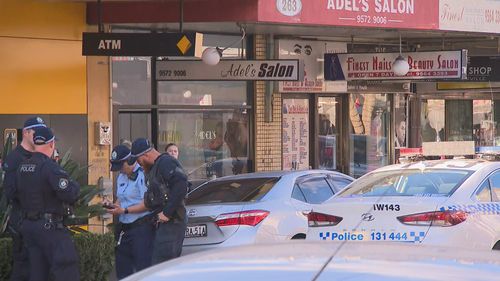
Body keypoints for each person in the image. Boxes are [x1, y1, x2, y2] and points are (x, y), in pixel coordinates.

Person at [15, 126, 80, 281]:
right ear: (51, 144)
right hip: (50, 228)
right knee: (66, 269)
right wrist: (74, 185)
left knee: (37, 273)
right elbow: (70, 193)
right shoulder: (50, 167)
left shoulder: (22, 167)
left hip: (28, 227)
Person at [129, 138, 188, 264]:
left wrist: (167, 213)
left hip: (173, 222)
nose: (139, 164)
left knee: (163, 266)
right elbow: (153, 199)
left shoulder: (166, 162)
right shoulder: (154, 168)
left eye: (139, 160)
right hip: (164, 223)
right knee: (158, 265)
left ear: (145, 154)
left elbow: (182, 184)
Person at [2, 116, 46, 281]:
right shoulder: (14, 158)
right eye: (37, 132)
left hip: (39, 223)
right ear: (27, 133)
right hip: (22, 222)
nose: (40, 136)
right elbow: (11, 192)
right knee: (23, 269)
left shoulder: (41, 157)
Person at [104, 144, 155, 279]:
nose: (120, 170)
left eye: (121, 166)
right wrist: (112, 206)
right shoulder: (121, 176)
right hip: (124, 229)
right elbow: (121, 199)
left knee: (142, 270)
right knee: (122, 269)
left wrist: (125, 211)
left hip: (141, 228)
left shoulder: (143, 175)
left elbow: (147, 205)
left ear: (131, 160)